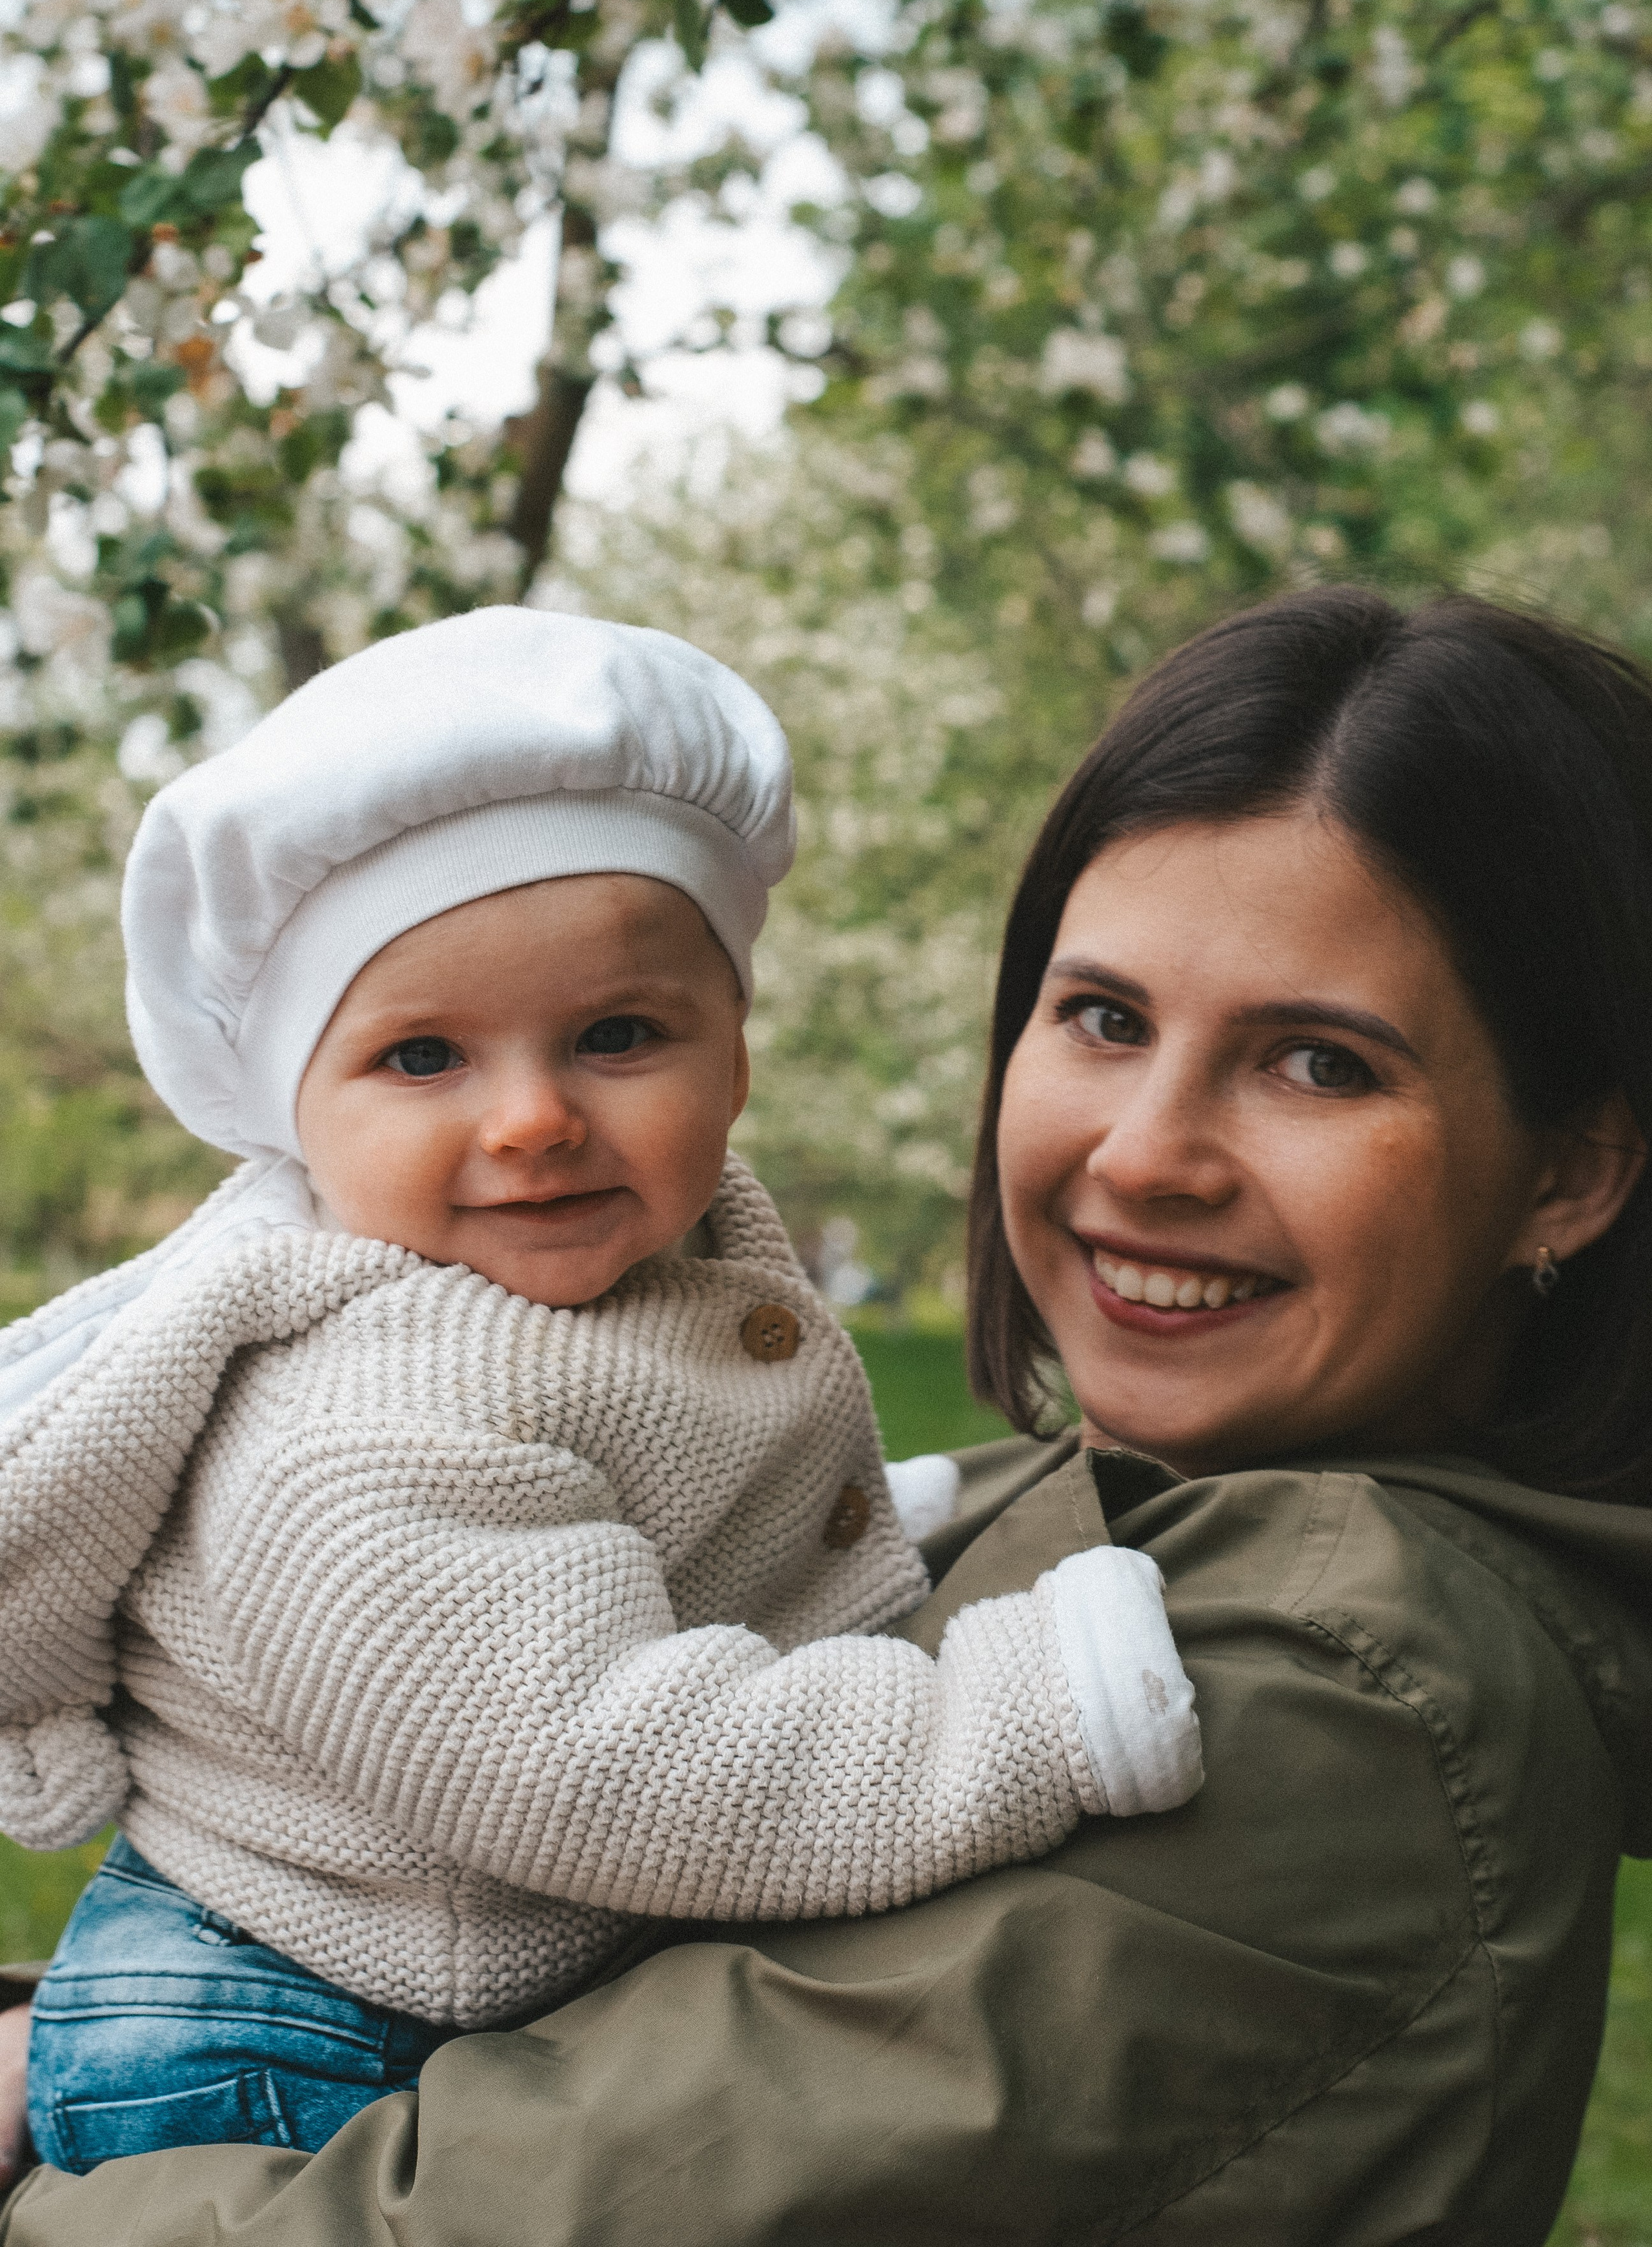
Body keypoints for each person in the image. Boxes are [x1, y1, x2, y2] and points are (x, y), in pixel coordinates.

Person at [4, 582, 1652, 2247]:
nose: (1147, 1154)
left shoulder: (1345, 1688)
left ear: (1567, 1170)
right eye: (1100, 1018)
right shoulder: (1149, 1501)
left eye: (1319, 1064)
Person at [0, 608, 1199, 2177]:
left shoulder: (607, 1271)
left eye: (618, 1034)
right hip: (291, 2031)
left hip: (405, 1947)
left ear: (736, 1053)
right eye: (423, 1057)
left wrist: (781, 1555)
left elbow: (631, 1467)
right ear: (293, 1107)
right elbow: (608, 1765)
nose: (534, 1119)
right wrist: (1023, 1717)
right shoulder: (357, 1430)